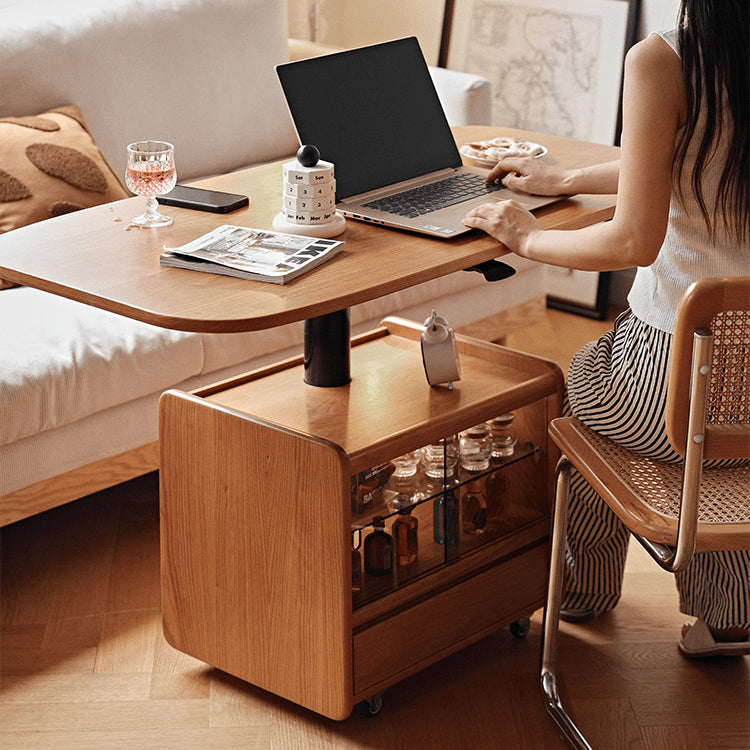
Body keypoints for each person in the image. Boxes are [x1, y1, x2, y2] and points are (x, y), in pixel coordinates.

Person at [462, 0, 749, 657]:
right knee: (721, 450)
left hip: (676, 369)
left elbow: (633, 239)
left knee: (578, 397)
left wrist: (527, 238)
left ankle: (582, 591)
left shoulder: (665, 60)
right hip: (749, 385)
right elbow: (688, 158)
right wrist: (566, 178)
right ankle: (730, 612)